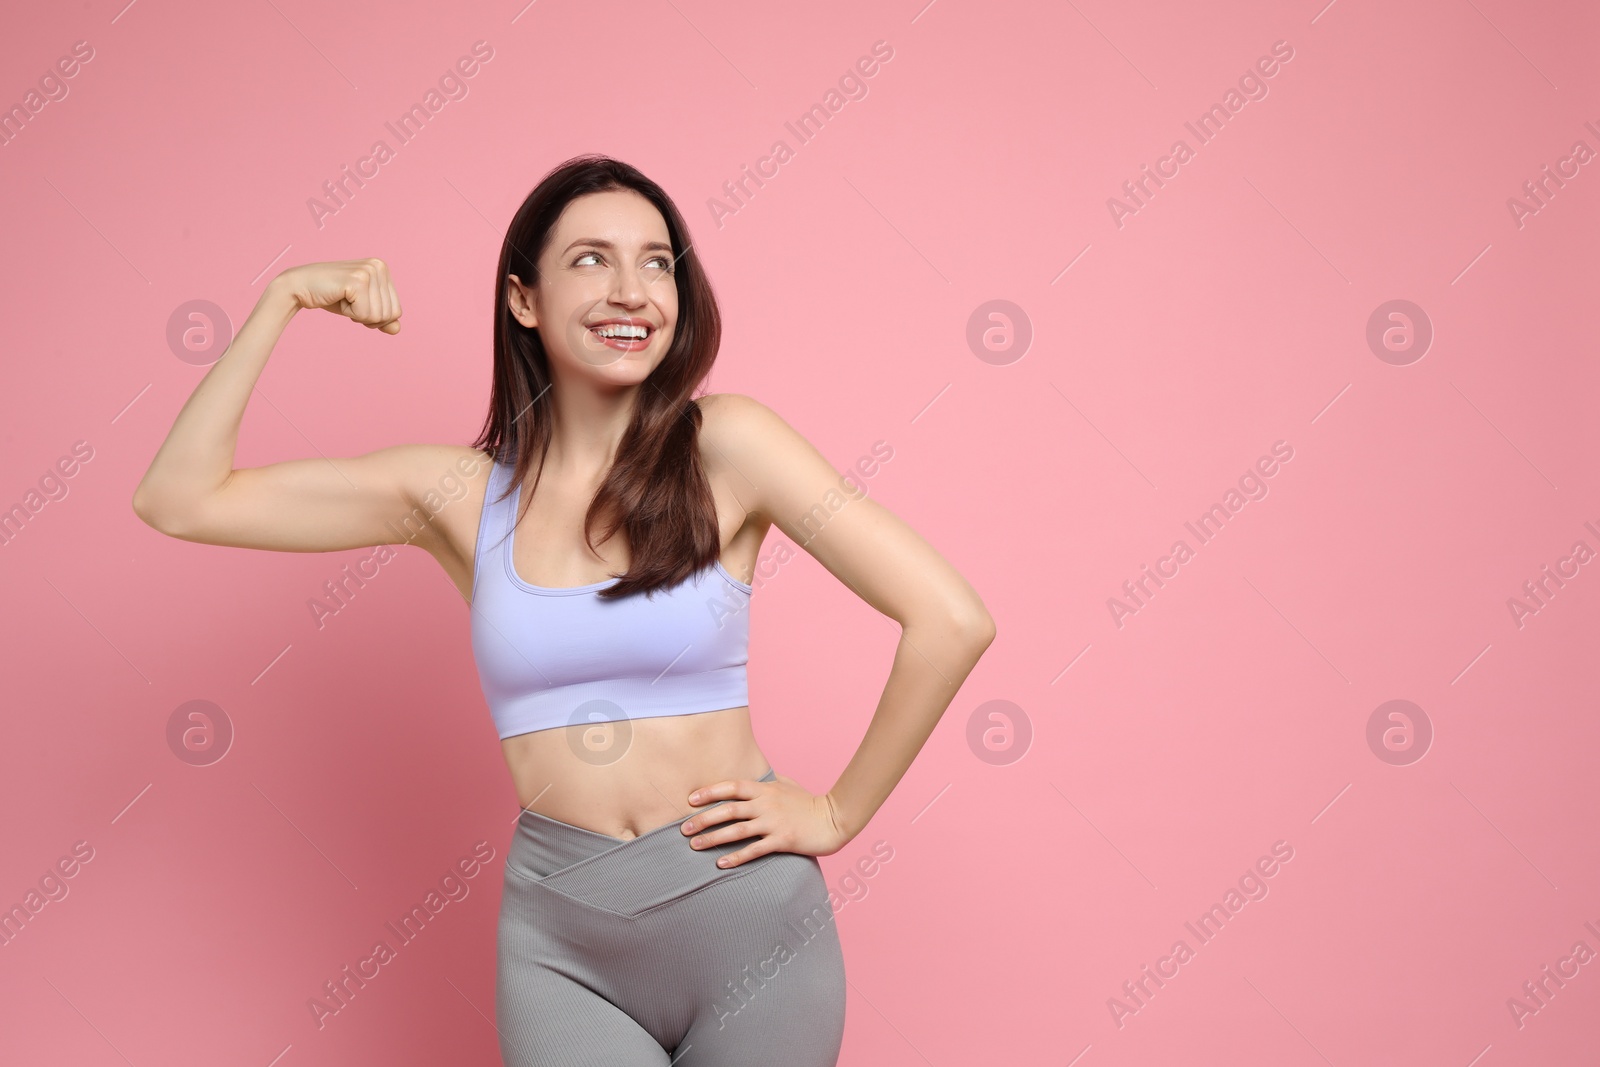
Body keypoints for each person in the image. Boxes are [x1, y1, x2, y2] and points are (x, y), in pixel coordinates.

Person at [132, 154, 995, 1066]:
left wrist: (834, 814)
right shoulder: (457, 496)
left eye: (658, 262)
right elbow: (179, 499)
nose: (633, 291)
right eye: (591, 259)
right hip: (562, 938)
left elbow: (951, 618)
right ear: (523, 299)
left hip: (746, 915)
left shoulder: (729, 446)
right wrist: (283, 299)